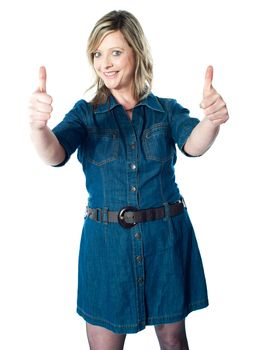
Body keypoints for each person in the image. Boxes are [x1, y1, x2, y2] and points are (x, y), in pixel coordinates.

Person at [28, 10, 229, 350]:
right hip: (106, 247)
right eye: (97, 54)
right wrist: (38, 128)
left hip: (165, 239)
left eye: (115, 52)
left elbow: (194, 144)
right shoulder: (85, 113)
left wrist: (212, 120)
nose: (105, 63)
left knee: (173, 341)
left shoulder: (165, 110)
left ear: (137, 53)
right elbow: (55, 153)